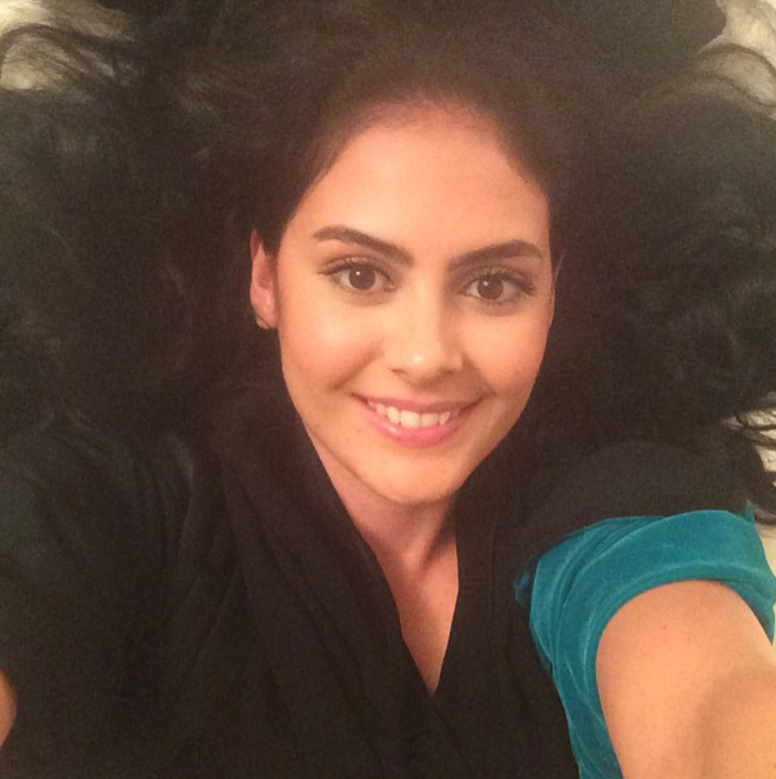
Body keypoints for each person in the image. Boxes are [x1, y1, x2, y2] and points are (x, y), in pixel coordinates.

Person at [0, 1, 776, 777]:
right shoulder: (119, 511)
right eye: (360, 274)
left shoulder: (621, 506)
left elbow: (712, 706)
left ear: (554, 291)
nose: (425, 355)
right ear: (264, 278)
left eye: (494, 283)